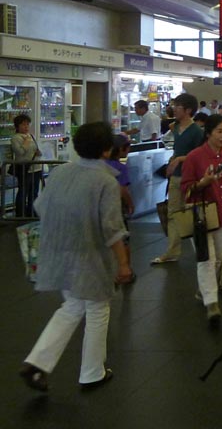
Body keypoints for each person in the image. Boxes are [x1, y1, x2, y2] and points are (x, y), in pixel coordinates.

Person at [19, 121, 131, 392]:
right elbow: (112, 228)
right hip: (90, 256)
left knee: (71, 306)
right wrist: (124, 264)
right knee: (97, 309)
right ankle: (92, 372)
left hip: (58, 252)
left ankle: (37, 362)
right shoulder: (105, 181)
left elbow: (40, 206)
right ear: (107, 150)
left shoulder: (60, 173)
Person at [180, 114, 222, 326]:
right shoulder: (195, 157)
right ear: (209, 133)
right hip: (202, 216)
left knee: (217, 258)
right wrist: (203, 182)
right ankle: (212, 304)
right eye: (220, 131)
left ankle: (204, 290)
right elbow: (186, 188)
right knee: (206, 258)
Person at [151, 94, 206, 264]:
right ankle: (172, 250)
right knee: (173, 213)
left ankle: (202, 249)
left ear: (188, 110)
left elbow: (199, 155)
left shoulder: (197, 131)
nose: (174, 109)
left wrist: (180, 159)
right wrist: (172, 161)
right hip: (176, 177)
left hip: (191, 179)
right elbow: (178, 150)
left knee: (195, 213)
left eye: (178, 106)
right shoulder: (175, 128)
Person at [106, 134, 136, 283]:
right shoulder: (120, 168)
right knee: (123, 238)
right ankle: (126, 270)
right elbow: (123, 189)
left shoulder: (101, 164)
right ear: (121, 149)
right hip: (117, 206)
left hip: (102, 207)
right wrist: (130, 203)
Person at [11, 113, 42, 217]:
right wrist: (26, 142)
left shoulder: (30, 136)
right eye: (23, 125)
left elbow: (36, 150)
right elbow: (19, 152)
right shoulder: (16, 138)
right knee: (23, 192)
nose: (26, 127)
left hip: (36, 168)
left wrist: (38, 152)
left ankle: (31, 212)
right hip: (25, 169)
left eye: (27, 124)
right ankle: (20, 214)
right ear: (17, 126)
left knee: (34, 192)